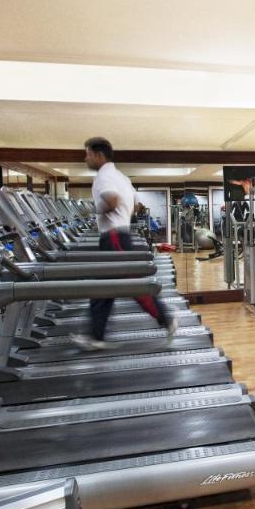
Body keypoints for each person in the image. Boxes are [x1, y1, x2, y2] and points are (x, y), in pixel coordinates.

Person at [70, 137, 176, 351]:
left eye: (88, 154)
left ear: (99, 156)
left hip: (114, 236)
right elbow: (137, 206)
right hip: (118, 233)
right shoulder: (122, 177)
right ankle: (95, 335)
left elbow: (113, 201)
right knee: (103, 288)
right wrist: (121, 215)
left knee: (131, 284)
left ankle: (166, 319)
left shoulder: (104, 176)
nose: (86, 158)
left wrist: (94, 211)